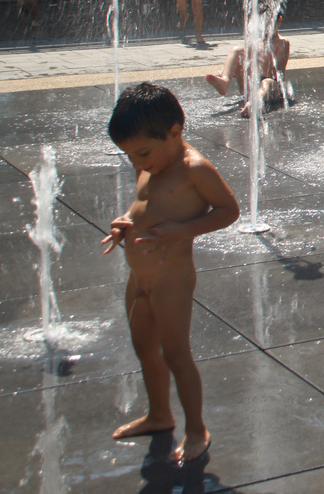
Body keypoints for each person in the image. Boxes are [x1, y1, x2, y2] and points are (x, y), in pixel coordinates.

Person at [102, 83, 241, 463]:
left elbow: (229, 210)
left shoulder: (194, 169)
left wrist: (183, 231)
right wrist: (125, 223)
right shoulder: (152, 164)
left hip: (171, 279)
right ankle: (159, 414)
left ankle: (197, 429)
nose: (136, 162)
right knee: (144, 347)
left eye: (142, 152)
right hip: (140, 278)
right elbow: (141, 206)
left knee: (177, 354)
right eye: (129, 155)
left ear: (175, 132)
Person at [205, 14, 291, 116]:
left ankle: (254, 103)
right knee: (238, 50)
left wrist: (260, 62)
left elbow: (277, 73)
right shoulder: (255, 42)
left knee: (267, 82)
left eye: (270, 24)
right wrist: (235, 69)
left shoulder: (282, 43)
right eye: (263, 24)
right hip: (252, 86)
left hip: (272, 90)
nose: (266, 28)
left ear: (279, 21)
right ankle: (225, 81)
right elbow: (248, 67)